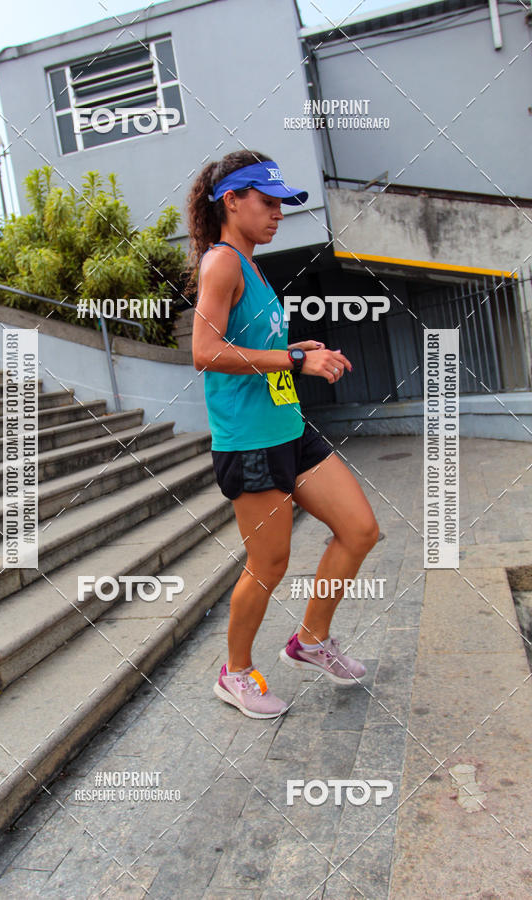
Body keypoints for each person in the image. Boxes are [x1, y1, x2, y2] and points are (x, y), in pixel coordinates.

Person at [187, 150, 379, 719]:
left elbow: (265, 351)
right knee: (267, 564)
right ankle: (236, 674)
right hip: (249, 443)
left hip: (290, 431)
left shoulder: (251, 265)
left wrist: (302, 352)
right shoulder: (221, 264)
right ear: (232, 202)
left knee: (360, 529)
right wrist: (293, 358)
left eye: (282, 206)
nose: (278, 215)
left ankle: (311, 640)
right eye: (267, 204)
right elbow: (204, 352)